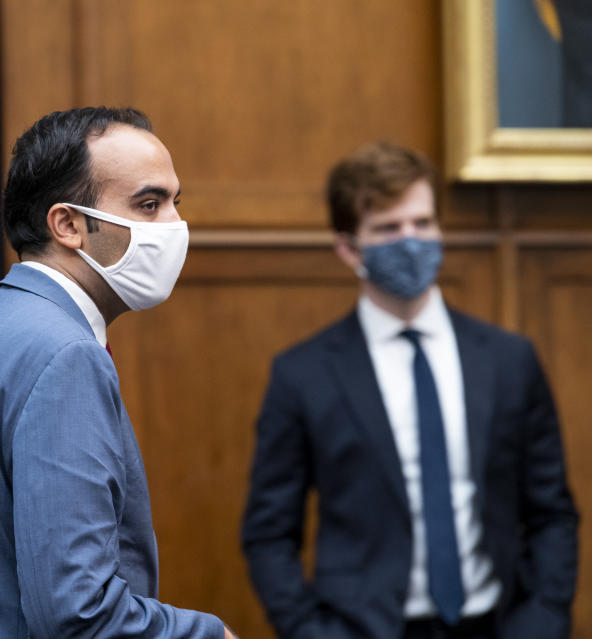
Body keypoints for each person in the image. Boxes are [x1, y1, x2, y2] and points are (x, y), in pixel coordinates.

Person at [0, 107, 236, 638]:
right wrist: (207, 634)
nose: (175, 226)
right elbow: (78, 611)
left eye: (177, 203)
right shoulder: (65, 354)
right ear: (67, 225)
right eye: (149, 205)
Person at [241, 142, 578, 639]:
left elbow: (551, 511)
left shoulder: (509, 360)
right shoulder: (303, 375)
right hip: (366, 628)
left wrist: (544, 618)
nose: (410, 240)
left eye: (422, 224)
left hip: (499, 623)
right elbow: (269, 534)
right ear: (348, 248)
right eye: (388, 229)